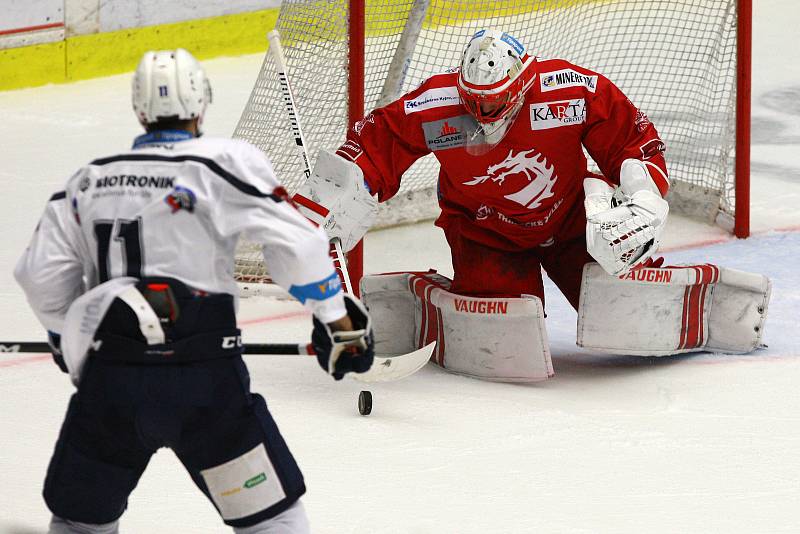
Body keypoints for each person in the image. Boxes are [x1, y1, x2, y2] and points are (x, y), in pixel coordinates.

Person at [14, 48, 374, 534]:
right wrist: (337, 319)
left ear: (140, 109)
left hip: (111, 383)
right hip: (205, 385)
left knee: (80, 523)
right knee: (274, 520)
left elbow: (39, 275)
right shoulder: (223, 162)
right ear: (202, 103)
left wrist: (67, 338)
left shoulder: (89, 179)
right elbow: (297, 243)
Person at [299, 29, 770, 382]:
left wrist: (642, 199)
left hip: (570, 224)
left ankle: (715, 305)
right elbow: (377, 142)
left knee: (629, 317)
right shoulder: (436, 105)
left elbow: (632, 141)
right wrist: (337, 192)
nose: (483, 116)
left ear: (524, 85)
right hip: (485, 233)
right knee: (503, 348)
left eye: (497, 102)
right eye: (475, 102)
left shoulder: (570, 90)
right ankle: (414, 300)